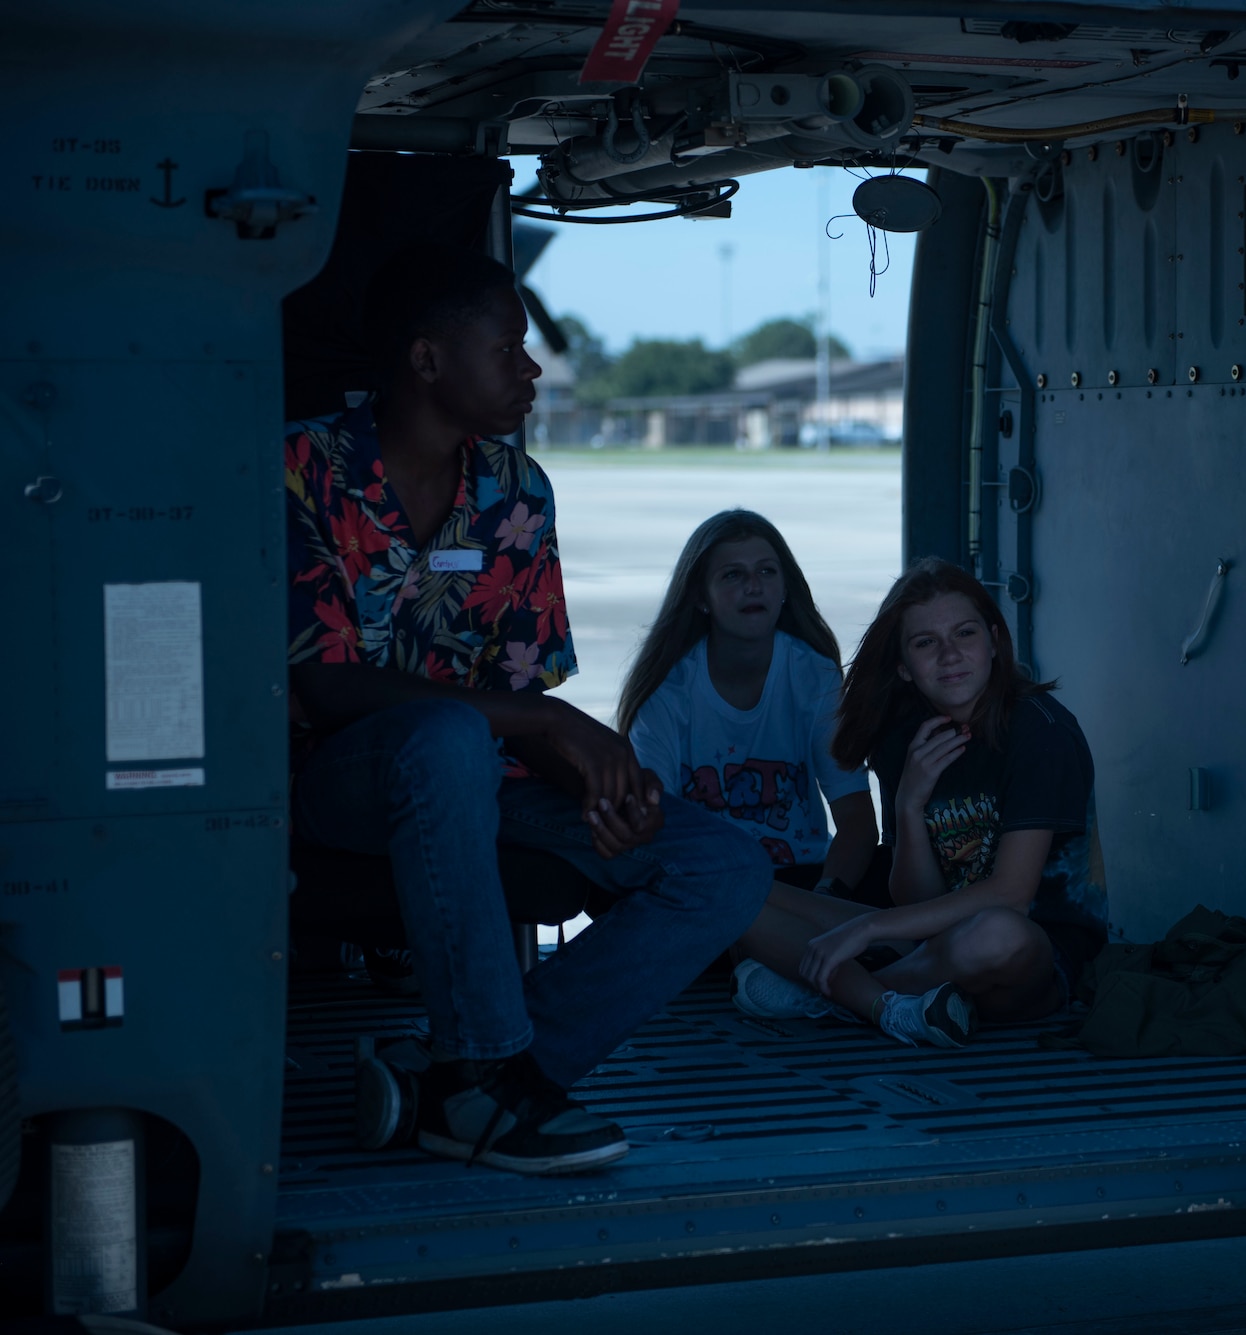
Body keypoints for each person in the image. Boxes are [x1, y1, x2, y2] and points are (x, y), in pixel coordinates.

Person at [286, 244, 770, 1175]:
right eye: (507, 346)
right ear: (428, 360)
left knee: (720, 864)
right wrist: (550, 727)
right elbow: (326, 685)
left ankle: (473, 1077)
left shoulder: (515, 491)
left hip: (484, 775)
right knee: (444, 736)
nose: (532, 367)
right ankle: (483, 1068)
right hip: (335, 783)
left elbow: (519, 690)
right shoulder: (303, 470)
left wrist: (589, 779)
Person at [729, 558, 1107, 1048]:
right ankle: (890, 1003)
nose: (949, 655)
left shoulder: (1039, 730)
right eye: (926, 642)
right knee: (739, 894)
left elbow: (1011, 895)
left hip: (1037, 959)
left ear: (994, 641)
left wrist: (866, 929)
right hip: (932, 943)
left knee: (995, 933)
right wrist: (909, 802)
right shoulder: (906, 738)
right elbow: (917, 900)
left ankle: (837, 997)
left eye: (965, 634)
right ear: (904, 667)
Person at [619, 510, 879, 896]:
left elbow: (857, 820)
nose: (753, 586)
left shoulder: (812, 675)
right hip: (705, 886)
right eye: (732, 575)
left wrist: (826, 899)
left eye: (766, 572)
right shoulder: (668, 691)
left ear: (785, 588)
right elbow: (653, 825)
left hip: (802, 880)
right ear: (700, 598)